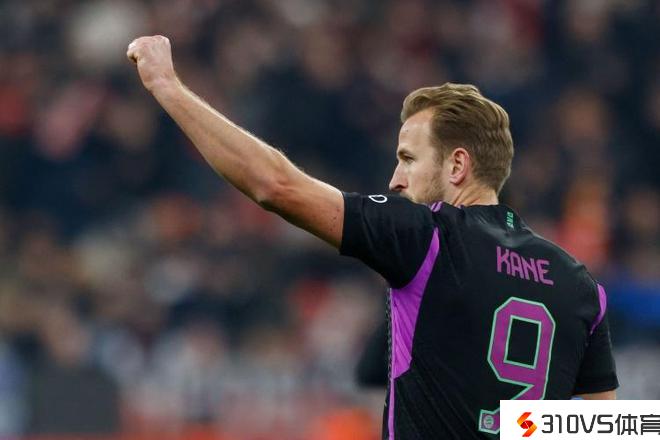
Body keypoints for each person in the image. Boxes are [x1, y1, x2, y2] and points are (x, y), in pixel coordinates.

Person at [126, 36, 618, 439]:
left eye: (407, 159)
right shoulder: (579, 285)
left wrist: (166, 86)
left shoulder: (428, 238)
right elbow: (602, 428)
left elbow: (276, 185)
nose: (394, 180)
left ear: (457, 166)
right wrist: (511, 427)